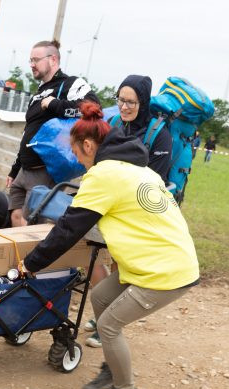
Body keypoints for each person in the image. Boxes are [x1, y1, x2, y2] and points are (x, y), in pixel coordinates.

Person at [20, 102, 199, 389]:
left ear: (88, 145)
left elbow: (67, 229)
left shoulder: (103, 176)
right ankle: (114, 366)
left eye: (76, 154)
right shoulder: (136, 168)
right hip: (160, 260)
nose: (78, 162)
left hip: (165, 271)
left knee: (110, 326)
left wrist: (30, 264)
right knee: (101, 294)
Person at [85, 74, 173, 349]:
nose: (124, 107)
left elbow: (154, 183)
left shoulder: (159, 136)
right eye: (120, 100)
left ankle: (109, 322)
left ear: (143, 102)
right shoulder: (113, 126)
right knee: (91, 257)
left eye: (131, 102)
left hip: (137, 213)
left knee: (121, 265)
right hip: (110, 205)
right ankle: (104, 314)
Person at [6, 39, 99, 227]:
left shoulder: (70, 83)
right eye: (30, 60)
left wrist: (54, 104)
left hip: (46, 170)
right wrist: (15, 169)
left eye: (36, 60)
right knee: (16, 216)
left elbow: (93, 108)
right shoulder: (39, 92)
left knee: (33, 224)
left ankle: (30, 257)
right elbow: (28, 131)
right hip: (25, 168)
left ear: (53, 59)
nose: (32, 65)